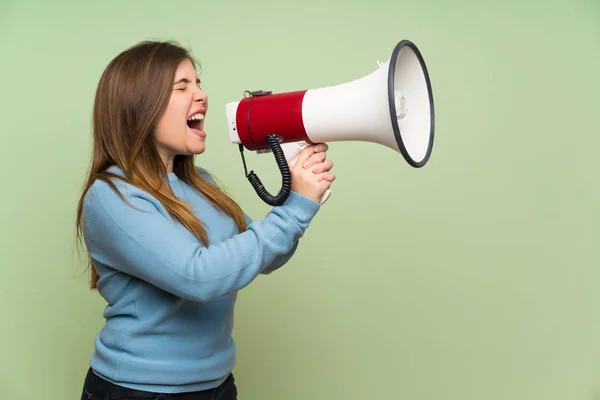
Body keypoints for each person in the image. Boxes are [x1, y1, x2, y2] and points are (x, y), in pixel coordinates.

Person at [76, 40, 335, 400]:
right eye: (182, 87)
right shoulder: (112, 195)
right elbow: (198, 276)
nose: (202, 95)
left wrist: (300, 196)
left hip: (215, 386)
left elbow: (267, 256)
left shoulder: (203, 185)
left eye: (198, 84)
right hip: (139, 390)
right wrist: (293, 210)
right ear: (139, 105)